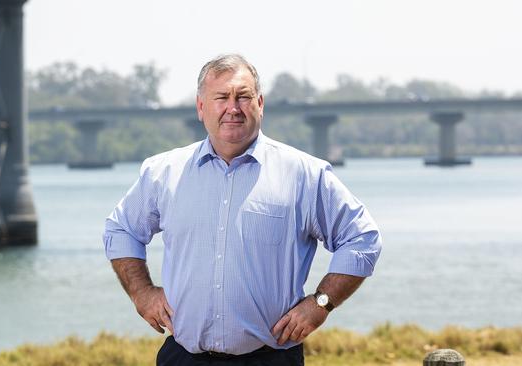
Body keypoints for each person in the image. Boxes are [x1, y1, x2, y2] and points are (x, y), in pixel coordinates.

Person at [103, 54, 382, 366]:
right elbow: (121, 230)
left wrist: (321, 303)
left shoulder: (303, 174)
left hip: (270, 359)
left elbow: (362, 238)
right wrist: (142, 294)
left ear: (260, 104)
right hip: (183, 357)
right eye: (221, 97)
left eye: (243, 97)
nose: (232, 108)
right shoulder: (162, 173)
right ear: (200, 107)